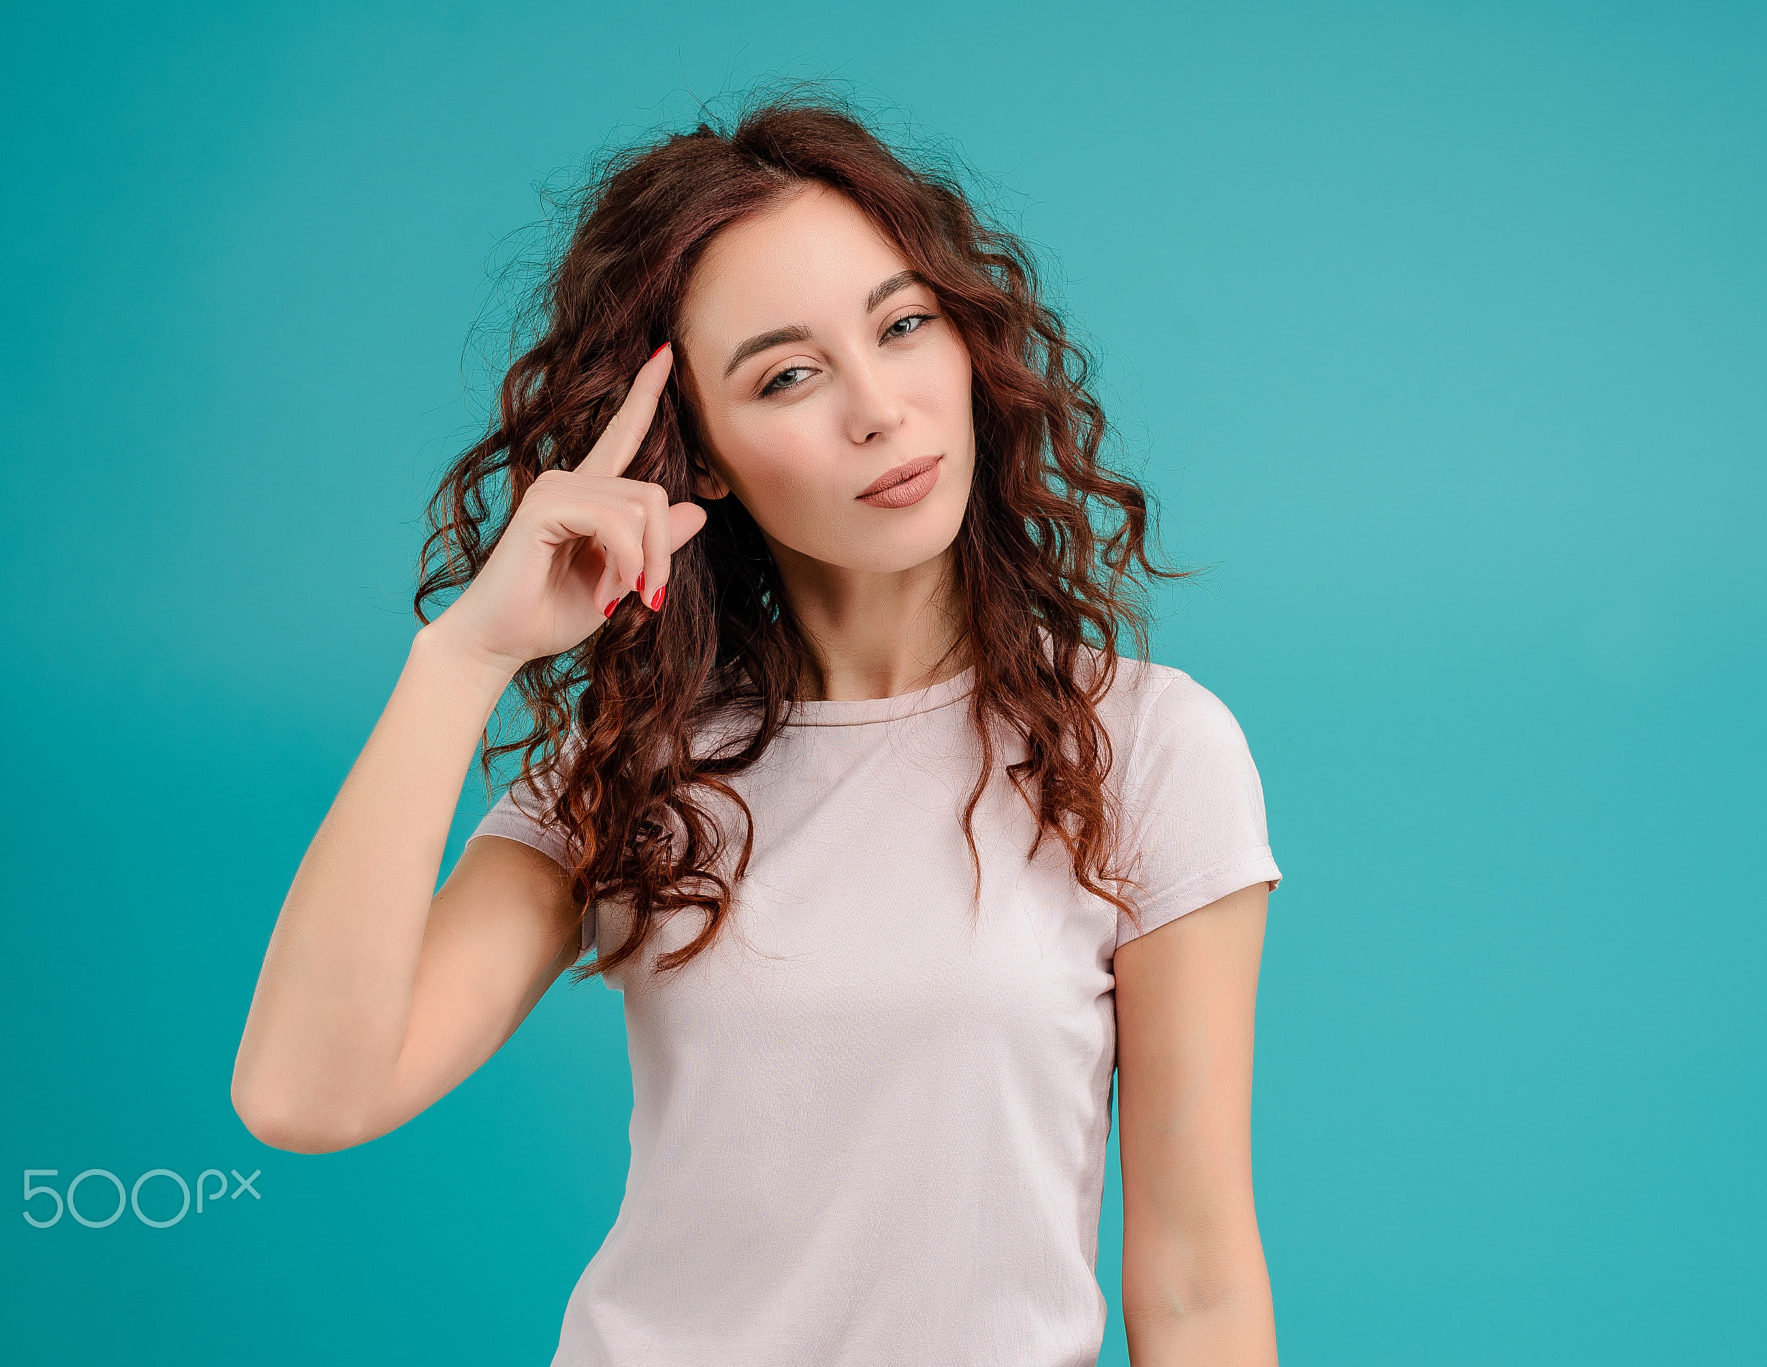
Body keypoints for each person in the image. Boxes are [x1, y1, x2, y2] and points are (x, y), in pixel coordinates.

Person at [232, 92, 1283, 1366]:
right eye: (786, 373)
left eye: (903, 326)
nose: (877, 408)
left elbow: (1193, 1283)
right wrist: (466, 657)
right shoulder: (633, 767)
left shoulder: (1145, 746)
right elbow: (304, 1094)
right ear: (706, 457)